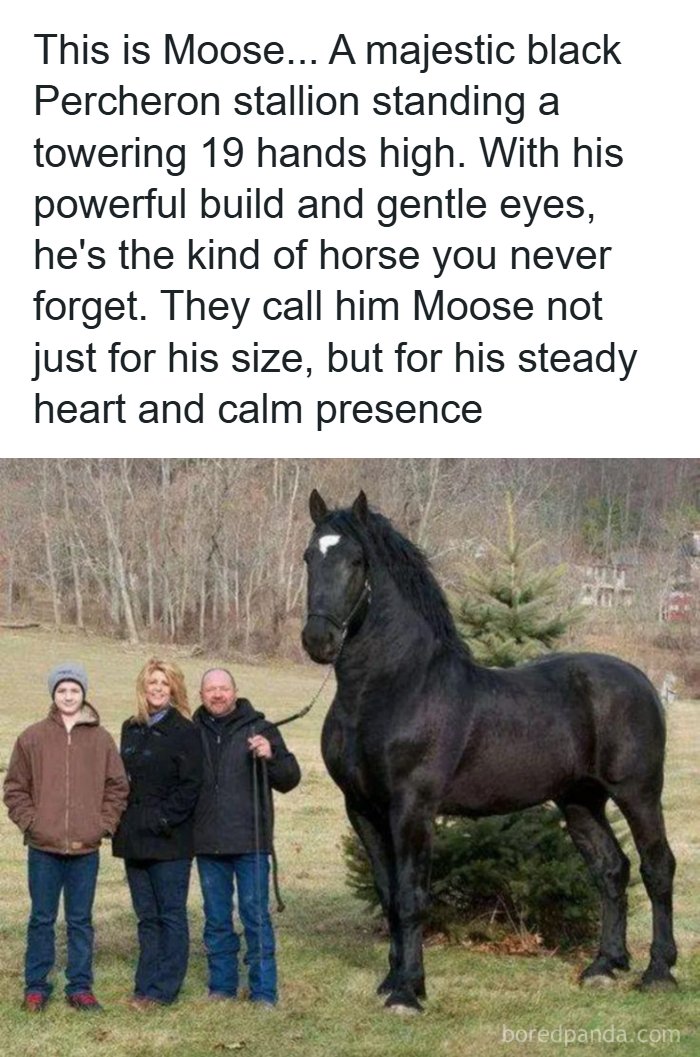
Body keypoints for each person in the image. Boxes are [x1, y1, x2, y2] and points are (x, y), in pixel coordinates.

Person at [3, 662, 129, 1013]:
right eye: (62, 690)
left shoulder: (101, 740)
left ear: (83, 694)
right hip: (43, 847)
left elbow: (117, 787)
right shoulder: (32, 737)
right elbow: (15, 788)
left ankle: (80, 986)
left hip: (85, 848)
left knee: (80, 920)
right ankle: (36, 986)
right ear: (53, 694)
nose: (69, 696)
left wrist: (102, 825)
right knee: (41, 918)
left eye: (74, 690)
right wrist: (32, 823)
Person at [193, 668, 301, 1006]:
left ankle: (264, 991)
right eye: (211, 689)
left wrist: (271, 756)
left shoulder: (261, 728)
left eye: (223, 688)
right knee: (216, 919)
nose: (217, 694)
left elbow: (290, 778)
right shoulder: (192, 731)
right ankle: (222, 986)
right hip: (208, 843)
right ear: (201, 695)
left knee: (255, 916)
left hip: (250, 842)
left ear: (235, 692)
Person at [112, 658, 203, 1010]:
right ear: (143, 687)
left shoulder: (185, 731)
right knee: (146, 916)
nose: (158, 689)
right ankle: (144, 984)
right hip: (133, 837)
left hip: (169, 840)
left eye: (165, 683)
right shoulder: (130, 728)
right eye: (153, 682)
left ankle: (164, 990)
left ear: (174, 689)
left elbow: (191, 785)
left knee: (171, 914)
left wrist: (164, 819)